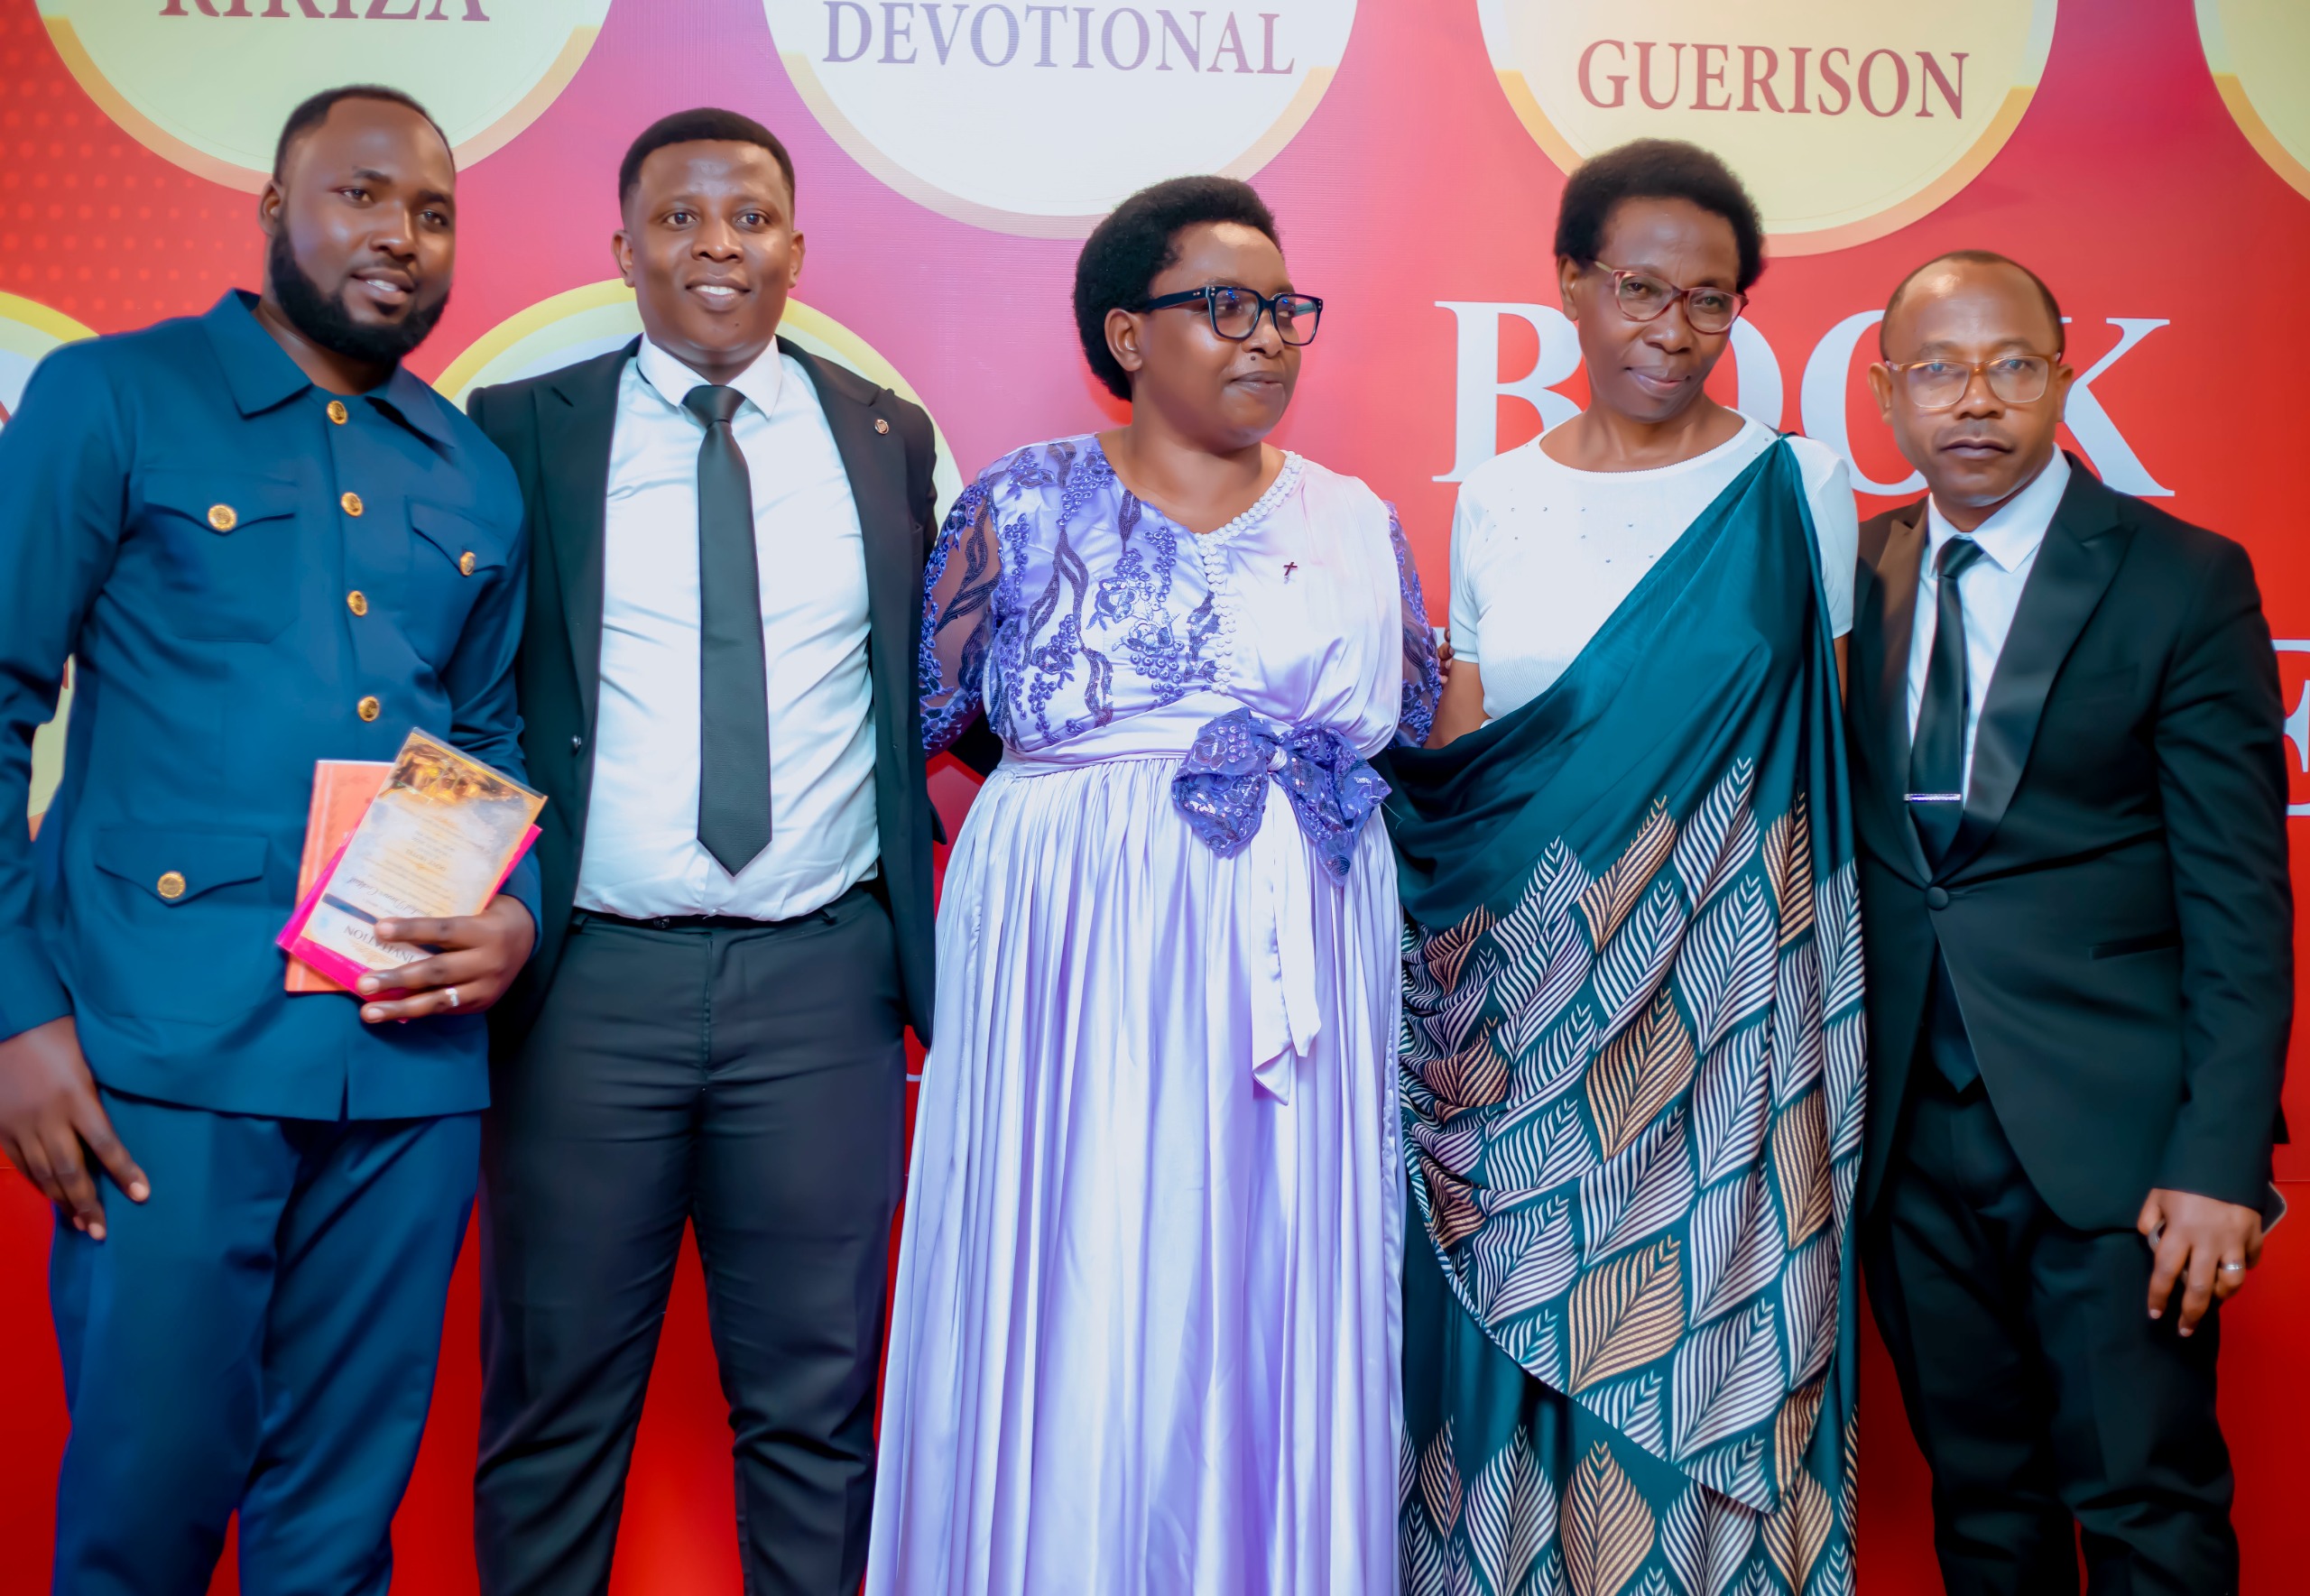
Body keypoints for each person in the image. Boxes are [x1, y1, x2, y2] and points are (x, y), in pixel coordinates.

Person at [866, 176, 1438, 1594]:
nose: (1267, 336)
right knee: (1078, 1260)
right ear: (1127, 334)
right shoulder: (1021, 504)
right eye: (1225, 306)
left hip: (1298, 965)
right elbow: (919, 729)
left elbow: (1425, 738)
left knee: (1271, 1275)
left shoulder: (1358, 520)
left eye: (1285, 309)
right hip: (1074, 964)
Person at [0, 87, 536, 1593]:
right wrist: (17, 1013)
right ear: (272, 210)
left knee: (339, 1529)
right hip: (159, 1054)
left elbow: (486, 743)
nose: (400, 235)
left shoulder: (472, 469)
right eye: (361, 195)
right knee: (144, 1505)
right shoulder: (111, 397)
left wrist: (515, 916)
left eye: (433, 213)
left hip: (406, 1065)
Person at [463, 108, 952, 1596]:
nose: (716, 245)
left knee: (817, 1414)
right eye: (678, 218)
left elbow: (930, 685)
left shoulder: (885, 437)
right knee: (553, 1411)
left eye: (747, 217)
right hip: (586, 983)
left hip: (823, 984)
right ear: (622, 249)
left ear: (797, 247)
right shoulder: (519, 426)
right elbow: (465, 688)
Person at [1391, 139, 1863, 1592]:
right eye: (1641, 289)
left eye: (1710, 300)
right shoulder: (1496, 495)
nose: (1673, 328)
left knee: (1712, 1349)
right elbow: (1471, 762)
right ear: (1571, 284)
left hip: (1729, 1026)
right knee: (1518, 1338)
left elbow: (1818, 760)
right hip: (1525, 1019)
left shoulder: (1798, 485)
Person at [1850, 250, 2288, 1593]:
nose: (1975, 399)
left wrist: (2220, 1160)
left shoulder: (2181, 579)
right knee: (1985, 1512)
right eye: (1938, 370)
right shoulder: (1856, 574)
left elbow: (2239, 895)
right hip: (1907, 1138)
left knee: (2148, 1509)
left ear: (2064, 378)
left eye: (2012, 366)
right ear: (1888, 393)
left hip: (2116, 1148)